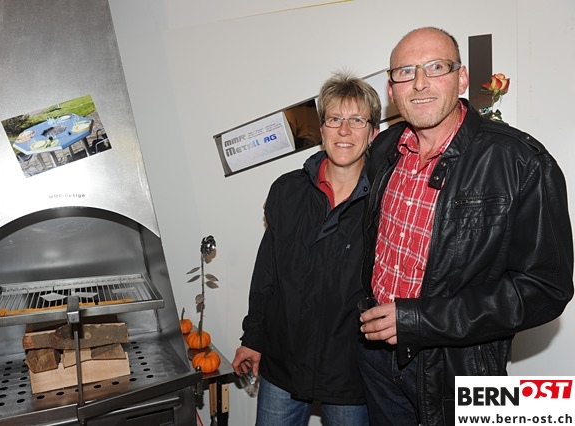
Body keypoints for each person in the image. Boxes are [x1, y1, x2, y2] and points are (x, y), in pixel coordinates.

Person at [358, 26, 574, 426]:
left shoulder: (521, 162)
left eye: (435, 67)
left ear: (461, 79)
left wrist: (421, 320)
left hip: (459, 368)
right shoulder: (385, 150)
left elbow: (546, 289)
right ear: (391, 90)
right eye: (405, 72)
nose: (419, 82)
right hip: (376, 361)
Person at [231, 71, 381, 426]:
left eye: (357, 120)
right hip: (283, 364)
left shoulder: (386, 200)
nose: (344, 130)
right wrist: (253, 338)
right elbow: (267, 274)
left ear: (373, 133)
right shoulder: (287, 191)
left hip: (350, 373)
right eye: (335, 119)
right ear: (322, 130)